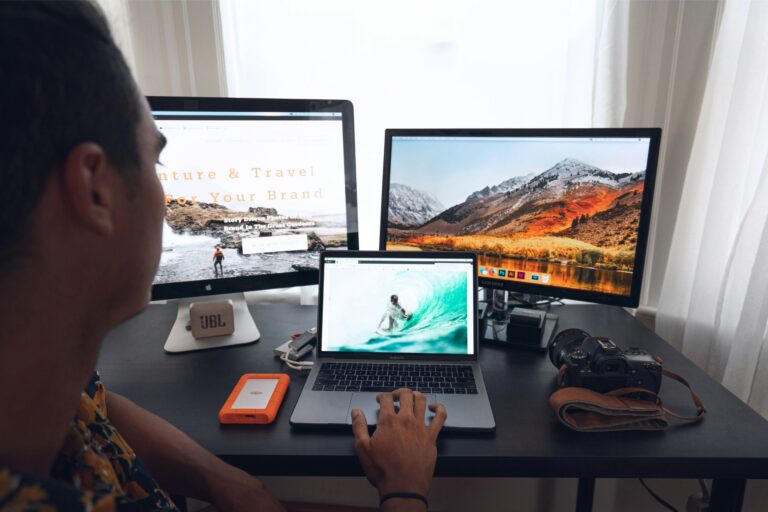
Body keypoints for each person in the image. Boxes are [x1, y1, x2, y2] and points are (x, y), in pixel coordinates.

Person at [0, 2, 446, 512]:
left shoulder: (40, 380)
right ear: (94, 191)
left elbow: (96, 407)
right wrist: (404, 489)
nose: (166, 196)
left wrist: (227, 482)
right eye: (156, 161)